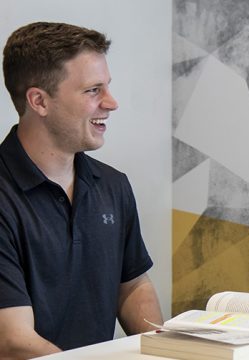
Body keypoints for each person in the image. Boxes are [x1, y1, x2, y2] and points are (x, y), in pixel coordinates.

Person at [0, 22, 163, 357]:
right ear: (39, 101)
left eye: (108, 87)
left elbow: (131, 285)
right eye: (93, 90)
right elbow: (13, 341)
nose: (112, 103)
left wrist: (164, 350)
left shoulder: (113, 185)